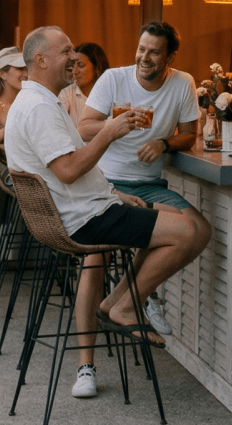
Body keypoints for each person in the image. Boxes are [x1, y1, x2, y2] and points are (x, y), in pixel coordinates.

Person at [4, 26, 208, 402]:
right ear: (41, 60)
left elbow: (67, 173)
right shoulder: (38, 108)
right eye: (66, 51)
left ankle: (117, 304)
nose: (74, 57)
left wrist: (114, 193)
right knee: (189, 232)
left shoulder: (41, 102)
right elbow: (67, 170)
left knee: (169, 219)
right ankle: (126, 307)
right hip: (85, 220)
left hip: (90, 207)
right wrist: (110, 132)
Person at [78, 22, 209, 345]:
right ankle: (125, 307)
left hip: (150, 184)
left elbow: (189, 134)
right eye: (141, 49)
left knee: (200, 230)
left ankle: (120, 303)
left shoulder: (183, 83)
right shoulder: (114, 79)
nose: (144, 57)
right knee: (173, 233)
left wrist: (164, 144)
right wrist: (114, 125)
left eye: (153, 51)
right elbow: (83, 128)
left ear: (170, 57)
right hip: (107, 183)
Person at [59, 43, 109, 125]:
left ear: (97, 68)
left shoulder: (111, 93)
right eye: (72, 66)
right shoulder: (66, 93)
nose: (74, 72)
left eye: (81, 65)